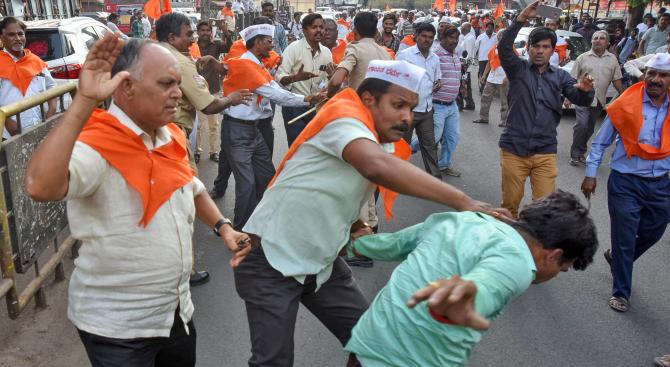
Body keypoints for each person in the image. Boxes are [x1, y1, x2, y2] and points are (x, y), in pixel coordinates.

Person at [235, 59, 500, 367]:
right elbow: (374, 166)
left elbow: (331, 186)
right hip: (271, 260)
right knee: (273, 362)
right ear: (368, 99)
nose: (406, 118)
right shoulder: (343, 118)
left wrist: (355, 222)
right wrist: (463, 201)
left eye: (411, 109)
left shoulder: (374, 135)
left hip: (321, 263)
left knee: (374, 344)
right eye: (398, 105)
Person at [23, 35, 251, 367]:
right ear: (126, 87)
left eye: (177, 83)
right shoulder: (98, 144)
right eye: (166, 84)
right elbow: (40, 186)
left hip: (176, 314)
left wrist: (223, 227)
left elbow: (191, 186)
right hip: (118, 330)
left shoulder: (168, 134)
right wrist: (84, 100)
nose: (177, 92)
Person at [344, 191, 598, 367]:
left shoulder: (462, 219)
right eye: (562, 268)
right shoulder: (519, 263)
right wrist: (463, 299)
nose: (554, 275)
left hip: (369, 342)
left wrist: (361, 243)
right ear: (554, 256)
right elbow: (486, 286)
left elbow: (395, 244)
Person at [156, 12, 251, 285]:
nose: (193, 38)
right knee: (186, 200)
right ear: (172, 37)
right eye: (188, 34)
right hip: (172, 137)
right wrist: (231, 98)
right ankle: (185, 270)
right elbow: (207, 105)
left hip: (158, 136)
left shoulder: (155, 55)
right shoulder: (177, 61)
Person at [581, 53, 670, 313]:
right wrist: (590, 173)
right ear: (645, 75)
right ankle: (621, 292)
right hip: (625, 182)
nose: (655, 80)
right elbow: (600, 141)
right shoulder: (626, 103)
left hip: (661, 184)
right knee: (624, 236)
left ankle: (618, 258)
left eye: (662, 75)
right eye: (651, 73)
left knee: (654, 231)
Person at [220, 23, 324, 230]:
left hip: (254, 130)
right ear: (257, 43)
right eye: (269, 41)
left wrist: (307, 96)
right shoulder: (245, 65)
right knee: (247, 184)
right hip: (238, 131)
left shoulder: (257, 64)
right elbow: (276, 95)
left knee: (267, 177)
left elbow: (276, 87)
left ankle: (260, 224)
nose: (272, 45)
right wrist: (308, 98)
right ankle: (241, 231)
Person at [498, 1, 594, 217]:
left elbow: (580, 98)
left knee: (544, 210)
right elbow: (504, 47)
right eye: (536, 46)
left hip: (544, 152)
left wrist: (587, 91)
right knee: (509, 206)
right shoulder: (517, 69)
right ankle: (508, 247)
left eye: (545, 47)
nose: (540, 51)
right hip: (514, 149)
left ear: (552, 50)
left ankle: (535, 248)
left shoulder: (561, 76)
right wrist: (522, 17)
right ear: (529, 48)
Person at [568, 30, 624, 167]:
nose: (598, 40)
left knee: (589, 128)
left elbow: (617, 80)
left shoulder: (612, 59)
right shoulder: (582, 58)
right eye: (595, 38)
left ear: (607, 42)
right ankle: (575, 154)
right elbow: (572, 79)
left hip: (599, 100)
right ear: (591, 41)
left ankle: (581, 151)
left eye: (602, 38)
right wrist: (568, 97)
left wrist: (624, 96)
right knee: (581, 125)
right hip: (582, 98)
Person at [277, 13, 333, 146]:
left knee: (315, 148)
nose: (319, 30)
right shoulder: (293, 48)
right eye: (314, 27)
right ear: (304, 30)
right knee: (297, 147)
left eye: (321, 27)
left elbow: (328, 81)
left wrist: (331, 76)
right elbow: (279, 78)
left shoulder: (327, 52)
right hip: (295, 106)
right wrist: (296, 78)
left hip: (317, 107)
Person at [397, 22, 442, 179]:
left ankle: (435, 180)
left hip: (426, 110)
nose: (427, 40)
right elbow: (395, 80)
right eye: (423, 36)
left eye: (430, 37)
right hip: (408, 110)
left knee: (430, 146)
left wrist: (437, 84)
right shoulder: (405, 55)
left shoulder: (435, 58)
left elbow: (437, 79)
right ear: (416, 36)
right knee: (403, 146)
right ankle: (398, 178)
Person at [0, 17, 56, 139]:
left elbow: (52, 86)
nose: (17, 38)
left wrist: (51, 111)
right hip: (9, 135)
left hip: (40, 126)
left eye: (20, 34)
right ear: (2, 38)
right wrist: (8, 122)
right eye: (11, 35)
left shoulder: (35, 60)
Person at [328, 11, 392, 97]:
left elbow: (335, 82)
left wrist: (328, 98)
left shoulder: (355, 49)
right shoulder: (386, 54)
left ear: (355, 30)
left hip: (358, 106)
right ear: (375, 32)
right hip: (378, 107)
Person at [195, 20, 231, 163]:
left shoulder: (216, 45)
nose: (205, 33)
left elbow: (230, 48)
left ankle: (213, 151)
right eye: (202, 30)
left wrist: (226, 31)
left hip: (213, 89)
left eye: (207, 30)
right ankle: (197, 151)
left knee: (214, 124)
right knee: (198, 125)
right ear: (198, 32)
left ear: (211, 32)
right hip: (196, 89)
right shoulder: (192, 46)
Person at [431, 24, 463, 177]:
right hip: (437, 105)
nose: (454, 41)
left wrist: (459, 87)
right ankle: (409, 148)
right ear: (442, 38)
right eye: (451, 38)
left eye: (456, 38)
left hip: (452, 105)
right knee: (433, 137)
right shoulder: (435, 55)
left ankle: (444, 164)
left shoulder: (455, 54)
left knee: (452, 137)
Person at [474, 30, 509, 127]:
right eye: (499, 36)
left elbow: (513, 65)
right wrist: (484, 75)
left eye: (503, 36)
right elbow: (489, 63)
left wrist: (509, 77)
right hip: (492, 77)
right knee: (485, 97)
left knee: (504, 101)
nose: (501, 37)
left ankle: (504, 121)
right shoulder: (494, 48)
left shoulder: (510, 49)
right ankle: (483, 117)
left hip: (504, 78)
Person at [458, 22, 477, 110]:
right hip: (464, 66)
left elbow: (468, 55)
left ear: (466, 28)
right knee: (465, 86)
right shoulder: (466, 38)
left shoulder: (469, 38)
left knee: (464, 85)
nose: (460, 29)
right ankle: (468, 104)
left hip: (465, 67)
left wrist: (464, 66)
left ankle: (464, 104)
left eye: (462, 27)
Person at [474, 21, 496, 93]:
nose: (489, 29)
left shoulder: (496, 36)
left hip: (492, 59)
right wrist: (473, 57)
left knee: (489, 74)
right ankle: (482, 87)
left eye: (491, 28)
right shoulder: (480, 37)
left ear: (493, 29)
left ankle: (486, 89)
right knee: (482, 73)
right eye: (488, 27)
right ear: (485, 28)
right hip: (482, 59)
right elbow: (475, 48)